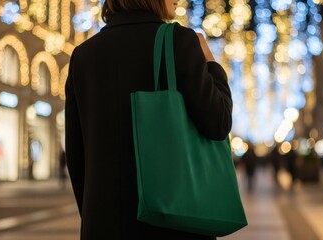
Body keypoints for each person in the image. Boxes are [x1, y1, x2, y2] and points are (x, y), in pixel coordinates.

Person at [64, 0, 232, 239]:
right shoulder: (180, 42)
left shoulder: (83, 55)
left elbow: (76, 156)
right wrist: (212, 65)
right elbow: (218, 122)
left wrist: (97, 217)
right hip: (175, 224)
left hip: (104, 226)